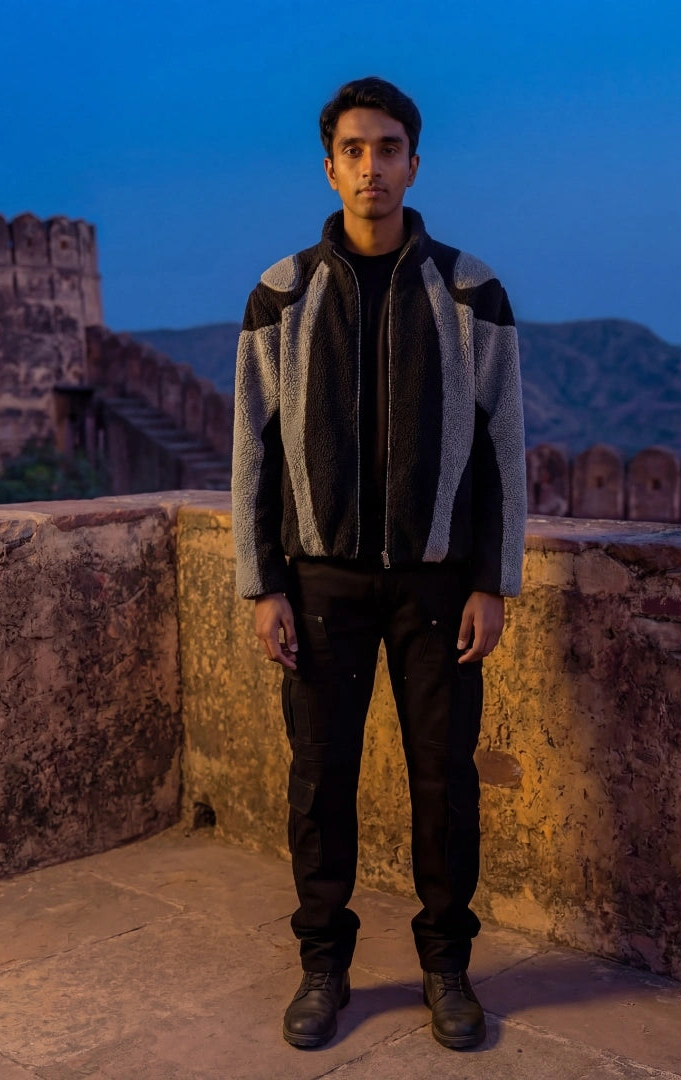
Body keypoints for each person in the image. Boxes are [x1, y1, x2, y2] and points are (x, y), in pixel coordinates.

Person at [232, 76, 526, 1051]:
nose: (372, 166)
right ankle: (325, 965)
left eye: (389, 147)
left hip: (441, 582)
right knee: (321, 777)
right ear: (329, 166)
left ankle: (447, 966)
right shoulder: (280, 293)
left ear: (414, 161)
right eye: (354, 150)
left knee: (444, 778)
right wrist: (262, 583)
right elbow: (254, 451)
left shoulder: (471, 290)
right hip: (319, 583)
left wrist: (493, 578)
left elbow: (502, 448)